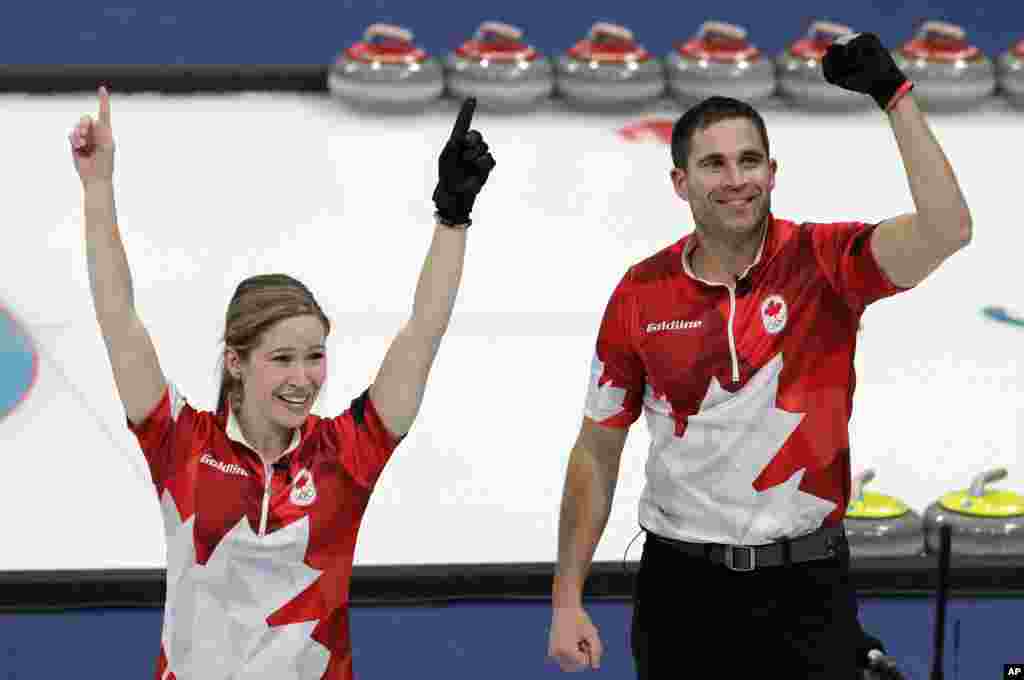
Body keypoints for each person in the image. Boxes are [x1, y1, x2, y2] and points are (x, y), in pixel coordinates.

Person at [542, 33, 968, 678]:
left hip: (808, 585)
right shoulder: (641, 292)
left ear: (773, 172)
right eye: (713, 165)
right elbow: (597, 450)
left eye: (750, 160)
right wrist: (567, 596)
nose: (736, 179)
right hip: (680, 590)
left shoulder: (826, 262)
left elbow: (948, 230)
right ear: (680, 182)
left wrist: (895, 96)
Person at [71, 91, 494, 679]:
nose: (304, 380)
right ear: (236, 362)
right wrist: (98, 188)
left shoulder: (348, 453)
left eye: (315, 357)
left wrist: (453, 216)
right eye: (283, 360)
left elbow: (424, 330)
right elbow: (117, 315)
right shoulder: (181, 444)